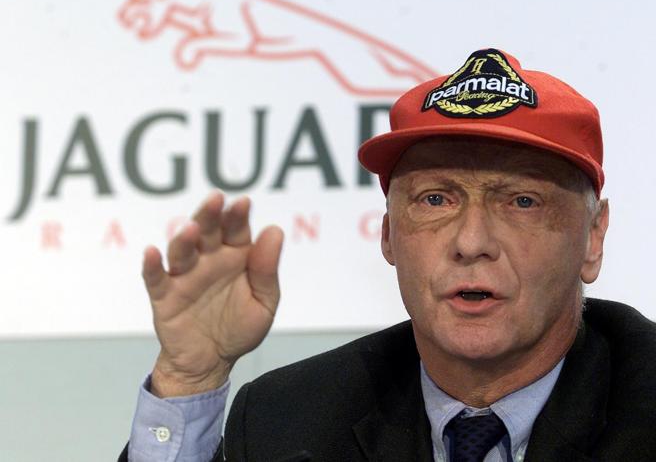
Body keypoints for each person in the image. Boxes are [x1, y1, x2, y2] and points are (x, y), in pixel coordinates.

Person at [120, 49, 656, 462]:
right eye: (436, 200)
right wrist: (189, 380)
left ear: (593, 238)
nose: (472, 241)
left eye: (521, 201)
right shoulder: (288, 419)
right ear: (389, 236)